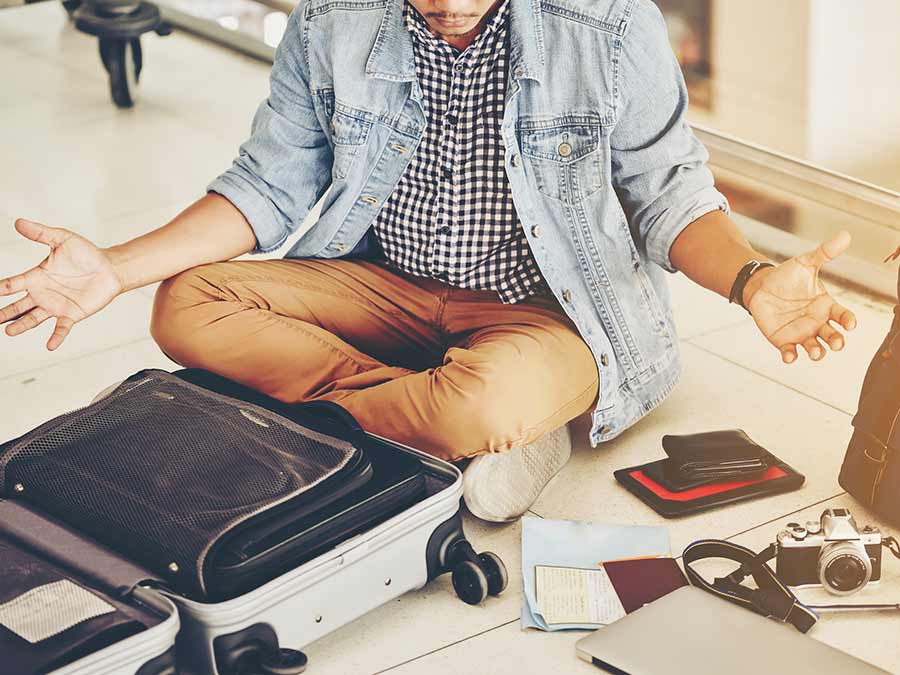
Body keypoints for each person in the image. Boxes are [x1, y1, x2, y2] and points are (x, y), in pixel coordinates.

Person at [0, 0, 857, 522]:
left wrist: (750, 280)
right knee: (185, 304)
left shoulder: (608, 22)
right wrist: (115, 267)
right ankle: (454, 420)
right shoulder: (331, 18)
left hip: (550, 314)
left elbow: (669, 191)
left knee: (482, 396)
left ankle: (440, 411)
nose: (446, 3)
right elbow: (270, 183)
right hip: (382, 285)